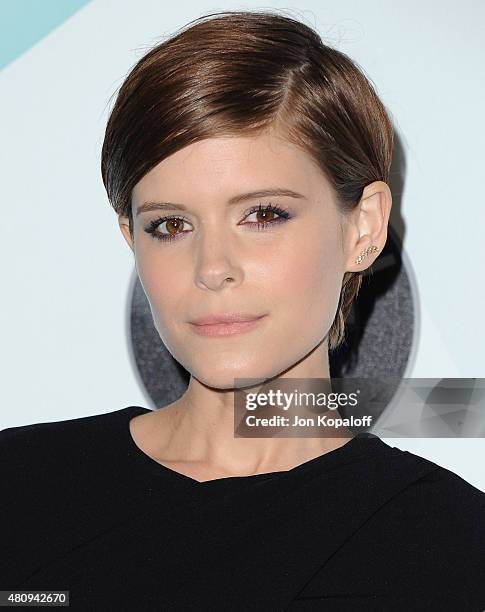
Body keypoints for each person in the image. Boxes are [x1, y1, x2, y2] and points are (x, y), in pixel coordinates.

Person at [1, 10, 484, 611]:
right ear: (132, 238)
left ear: (364, 225)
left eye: (263, 215)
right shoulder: (19, 487)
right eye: (170, 225)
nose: (212, 266)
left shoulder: (450, 543)